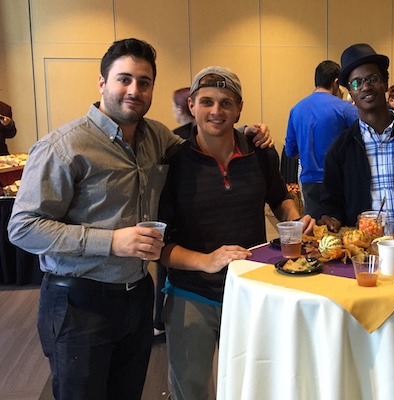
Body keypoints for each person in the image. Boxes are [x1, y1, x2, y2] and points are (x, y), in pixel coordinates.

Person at [7, 39, 272, 400]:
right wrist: (111, 241)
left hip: (135, 298)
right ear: (102, 83)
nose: (134, 90)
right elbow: (22, 226)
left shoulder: (156, 138)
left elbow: (206, 142)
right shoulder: (65, 146)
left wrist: (247, 135)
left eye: (144, 82)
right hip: (78, 301)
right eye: (124, 79)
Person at [158, 66, 315, 400]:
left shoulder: (259, 153)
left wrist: (294, 221)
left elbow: (281, 198)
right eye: (207, 102)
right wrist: (206, 260)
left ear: (239, 107)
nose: (216, 111)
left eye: (226, 103)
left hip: (253, 291)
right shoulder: (173, 162)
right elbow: (160, 246)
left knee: (257, 385)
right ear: (191, 105)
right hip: (192, 294)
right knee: (192, 389)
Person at [319, 43, 394, 231]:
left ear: (385, 82)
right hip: (362, 254)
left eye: (372, 79)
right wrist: (331, 217)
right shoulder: (340, 149)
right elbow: (332, 201)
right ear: (350, 92)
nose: (365, 86)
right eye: (357, 83)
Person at [285, 60, 358, 219]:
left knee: (315, 233)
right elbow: (366, 137)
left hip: (309, 182)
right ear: (336, 82)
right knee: (343, 232)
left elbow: (291, 151)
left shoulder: (296, 109)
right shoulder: (345, 108)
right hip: (339, 182)